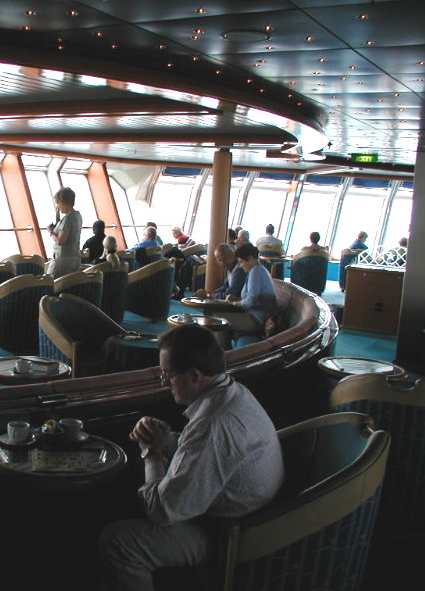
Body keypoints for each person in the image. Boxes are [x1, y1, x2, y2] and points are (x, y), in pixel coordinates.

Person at [98, 324, 284, 590]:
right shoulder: (232, 392)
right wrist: (166, 440)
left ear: (195, 376)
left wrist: (152, 452)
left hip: (231, 533)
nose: (164, 383)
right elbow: (204, 451)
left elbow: (161, 511)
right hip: (250, 511)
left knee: (119, 543)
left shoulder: (213, 423)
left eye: (168, 375)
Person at [224, 243, 278, 335]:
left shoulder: (255, 272)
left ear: (250, 258)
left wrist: (235, 303)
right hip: (256, 316)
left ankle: (223, 344)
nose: (240, 266)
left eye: (241, 262)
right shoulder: (259, 270)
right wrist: (237, 299)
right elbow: (254, 298)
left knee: (216, 319)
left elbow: (251, 300)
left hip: (257, 319)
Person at [47, 187, 82, 277]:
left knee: (50, 281)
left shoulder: (68, 219)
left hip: (62, 259)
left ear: (62, 202)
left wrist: (51, 232)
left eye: (58, 203)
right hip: (74, 257)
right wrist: (57, 217)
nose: (58, 206)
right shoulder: (77, 216)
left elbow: (60, 241)